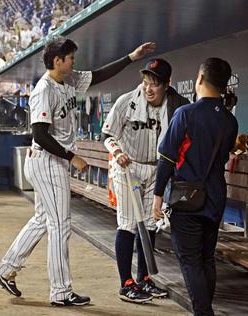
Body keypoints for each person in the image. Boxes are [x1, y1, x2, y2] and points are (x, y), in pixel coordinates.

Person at [0, 36, 155, 306]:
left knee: (44, 219)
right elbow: (40, 135)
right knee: (60, 225)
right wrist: (72, 157)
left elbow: (99, 75)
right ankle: (60, 292)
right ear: (58, 60)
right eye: (70, 58)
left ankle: (6, 268)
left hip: (50, 161)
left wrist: (131, 57)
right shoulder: (43, 90)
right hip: (47, 160)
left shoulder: (67, 79)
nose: (73, 62)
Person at [152, 57, 238, 316]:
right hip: (215, 196)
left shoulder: (185, 113)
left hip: (187, 198)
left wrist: (158, 195)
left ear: (200, 79)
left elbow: (167, 157)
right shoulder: (229, 120)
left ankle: (203, 313)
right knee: (206, 259)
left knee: (190, 261)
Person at [101, 58, 189, 303]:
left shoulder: (176, 106)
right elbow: (106, 135)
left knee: (150, 224)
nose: (148, 88)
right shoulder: (126, 102)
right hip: (128, 168)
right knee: (129, 223)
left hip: (156, 170)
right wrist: (117, 152)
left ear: (167, 84)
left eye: (155, 83)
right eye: (145, 81)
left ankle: (144, 278)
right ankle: (125, 283)